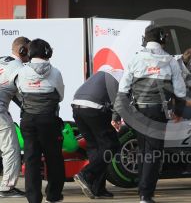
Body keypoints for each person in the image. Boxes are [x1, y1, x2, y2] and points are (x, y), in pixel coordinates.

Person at [113, 24, 186, 203]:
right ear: (162, 39)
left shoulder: (135, 59)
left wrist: (116, 116)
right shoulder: (170, 61)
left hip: (136, 112)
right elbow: (180, 92)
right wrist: (178, 112)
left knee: (144, 150)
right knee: (153, 153)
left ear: (145, 39)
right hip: (158, 113)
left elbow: (123, 90)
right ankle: (145, 194)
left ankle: (143, 191)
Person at [16, 39, 65, 203]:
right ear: (48, 53)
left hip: (28, 120)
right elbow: (60, 96)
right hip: (49, 120)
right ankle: (54, 195)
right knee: (54, 158)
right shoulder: (55, 72)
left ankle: (33, 198)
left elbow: (20, 92)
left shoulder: (21, 72)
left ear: (29, 53)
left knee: (31, 160)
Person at [72, 69, 121, 199]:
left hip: (77, 105)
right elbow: (122, 100)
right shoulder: (128, 78)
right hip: (94, 107)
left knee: (95, 147)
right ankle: (86, 174)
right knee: (112, 145)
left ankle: (96, 188)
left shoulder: (110, 72)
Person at [0, 37, 30, 198]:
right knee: (11, 148)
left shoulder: (3, 60)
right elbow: (24, 98)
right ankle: (7, 188)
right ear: (23, 51)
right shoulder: (19, 68)